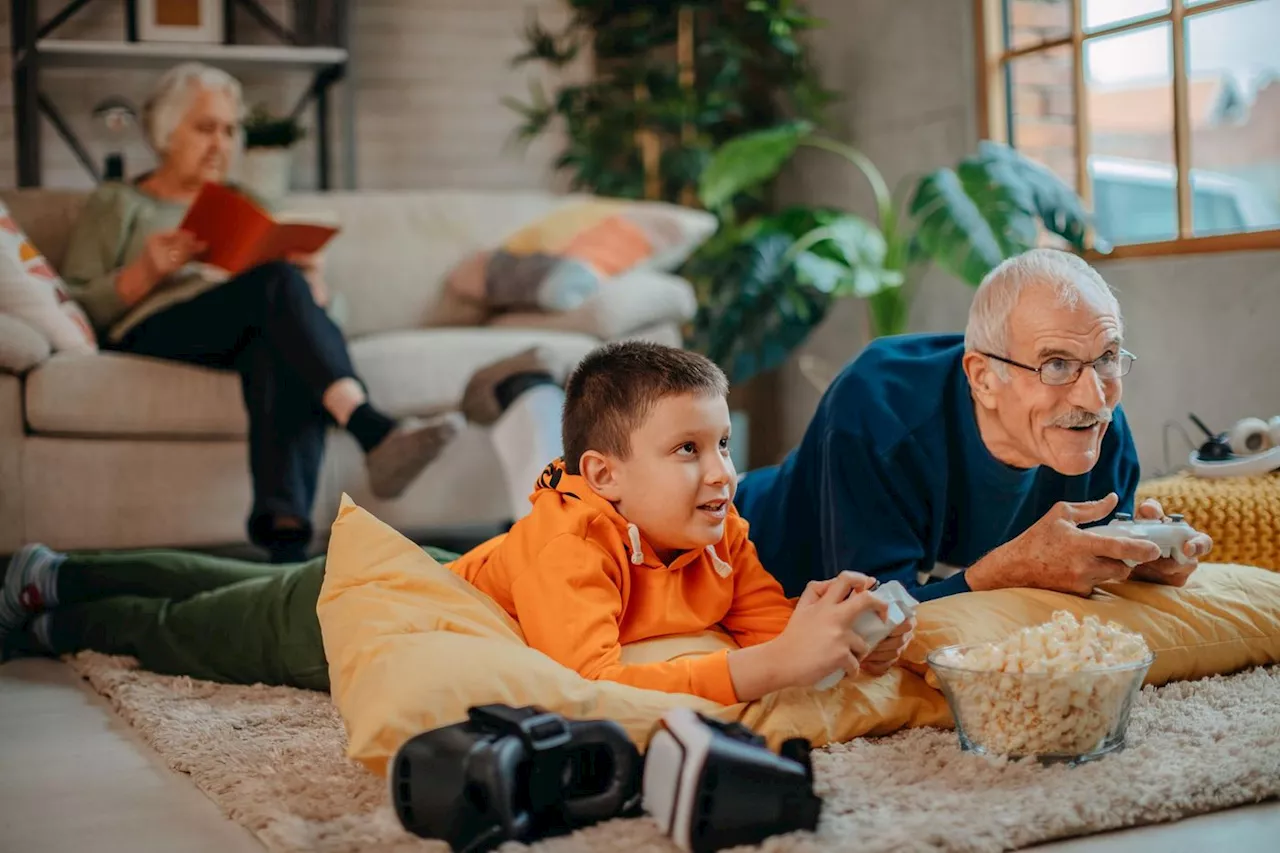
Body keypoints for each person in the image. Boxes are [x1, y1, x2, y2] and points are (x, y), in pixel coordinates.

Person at [2, 342, 914, 701]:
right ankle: (61, 601)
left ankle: (62, 567)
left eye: (723, 446)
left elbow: (768, 629)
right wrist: (766, 666)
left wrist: (848, 641)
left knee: (236, 583)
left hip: (435, 573)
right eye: (688, 452)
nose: (721, 475)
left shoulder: (725, 531)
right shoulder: (572, 537)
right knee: (181, 630)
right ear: (606, 476)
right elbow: (592, 679)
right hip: (360, 619)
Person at [60, 62, 460, 564]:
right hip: (151, 327)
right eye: (205, 128)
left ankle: (285, 541)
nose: (221, 143)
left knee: (276, 346)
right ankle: (370, 428)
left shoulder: (246, 203)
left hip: (240, 328)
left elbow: (327, 319)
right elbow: (73, 302)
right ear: (165, 133)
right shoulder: (119, 202)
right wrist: (144, 271)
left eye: (230, 130)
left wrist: (313, 283)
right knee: (274, 287)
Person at [734, 248, 1213, 603]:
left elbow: (1086, 579)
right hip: (739, 547)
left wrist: (1140, 563)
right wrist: (1004, 571)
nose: (1095, 396)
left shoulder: (1100, 420)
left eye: (1106, 357)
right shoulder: (877, 407)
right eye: (1056, 365)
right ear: (983, 379)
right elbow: (872, 612)